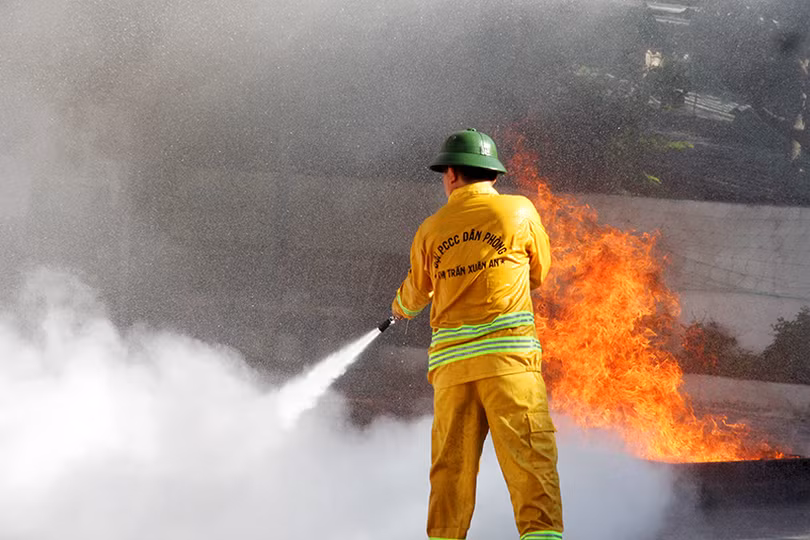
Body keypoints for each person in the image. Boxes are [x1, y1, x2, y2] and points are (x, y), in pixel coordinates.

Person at [391, 128, 563, 540]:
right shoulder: (519, 211)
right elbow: (540, 272)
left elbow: (416, 294)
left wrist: (398, 308)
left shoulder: (431, 229)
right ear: (493, 175)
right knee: (530, 460)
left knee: (450, 470)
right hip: (510, 369)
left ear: (451, 174)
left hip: (452, 373)